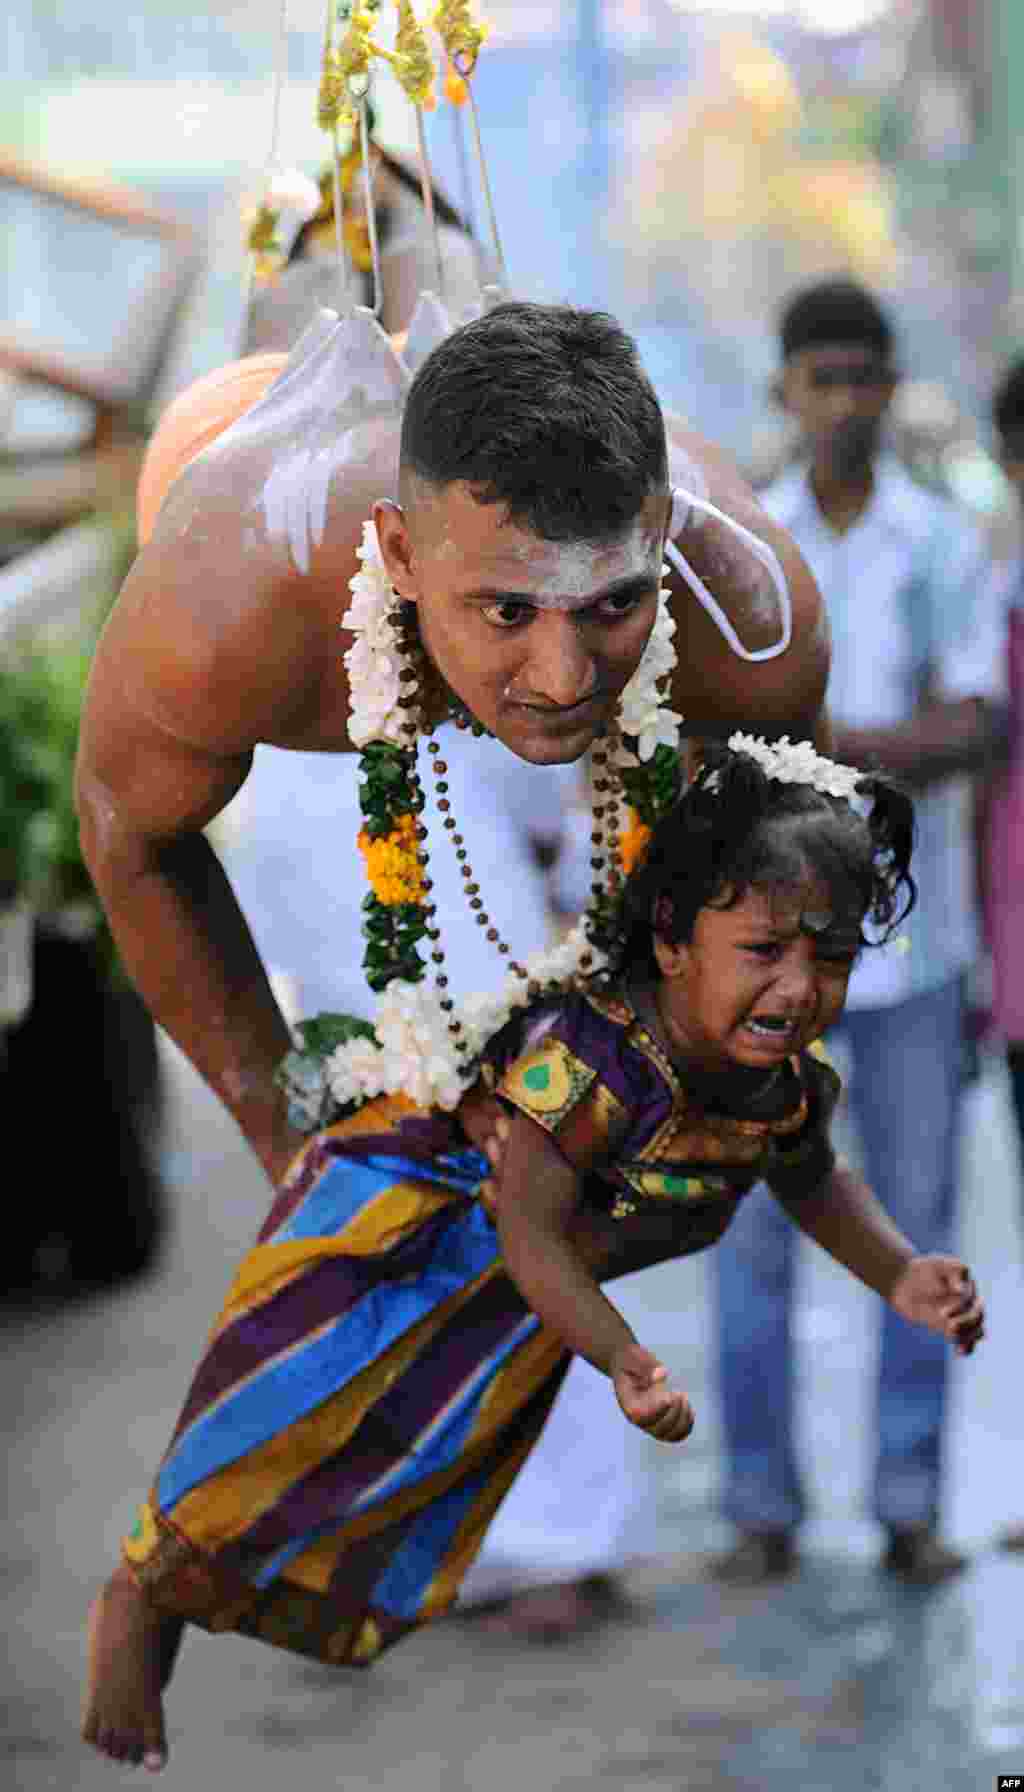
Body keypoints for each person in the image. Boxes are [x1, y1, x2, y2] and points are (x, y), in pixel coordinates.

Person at [81, 734, 985, 1771]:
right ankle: (139, 1592)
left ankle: (211, 1590)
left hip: (513, 1305)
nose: (799, 986)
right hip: (406, 1235)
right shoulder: (588, 1060)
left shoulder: (779, 1080)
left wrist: (899, 1270)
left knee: (380, 1485)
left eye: (830, 956)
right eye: (765, 950)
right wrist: (620, 1356)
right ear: (676, 941)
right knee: (281, 1421)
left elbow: (813, 1177)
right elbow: (526, 1223)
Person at [74, 301, 829, 1211]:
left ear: (659, 536)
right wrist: (290, 1150)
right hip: (245, 439)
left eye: (611, 607)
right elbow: (127, 835)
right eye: (509, 610)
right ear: (400, 555)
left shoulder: (754, 636)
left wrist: (700, 1070)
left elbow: (784, 870)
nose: (563, 679)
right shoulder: (235, 601)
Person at [713, 279, 1006, 1589]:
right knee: (752, 1235)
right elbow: (717, 740)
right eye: (818, 377)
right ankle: (760, 1509)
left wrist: (816, 753)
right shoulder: (743, 547)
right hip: (766, 965)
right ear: (785, 391)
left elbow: (979, 730)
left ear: (892, 387)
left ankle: (907, 1507)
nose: (841, 401)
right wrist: (867, 758)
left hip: (915, 955)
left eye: (861, 376)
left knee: (918, 1232)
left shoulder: (942, 543)